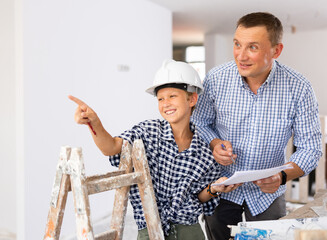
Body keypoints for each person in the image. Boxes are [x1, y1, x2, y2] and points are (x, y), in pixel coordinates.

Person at [69, 59, 241, 240]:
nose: (165, 103)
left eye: (172, 96)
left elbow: (198, 197)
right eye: (160, 99)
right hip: (150, 231)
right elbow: (111, 147)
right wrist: (94, 123)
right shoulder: (148, 132)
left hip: (190, 232)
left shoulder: (205, 149)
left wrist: (215, 188)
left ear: (192, 99)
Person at [191, 12, 323, 240]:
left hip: (268, 195)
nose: (241, 56)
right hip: (221, 187)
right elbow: (199, 122)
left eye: (252, 47)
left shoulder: (299, 88)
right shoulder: (215, 79)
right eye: (237, 44)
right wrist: (214, 143)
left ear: (276, 50)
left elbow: (310, 148)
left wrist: (282, 176)